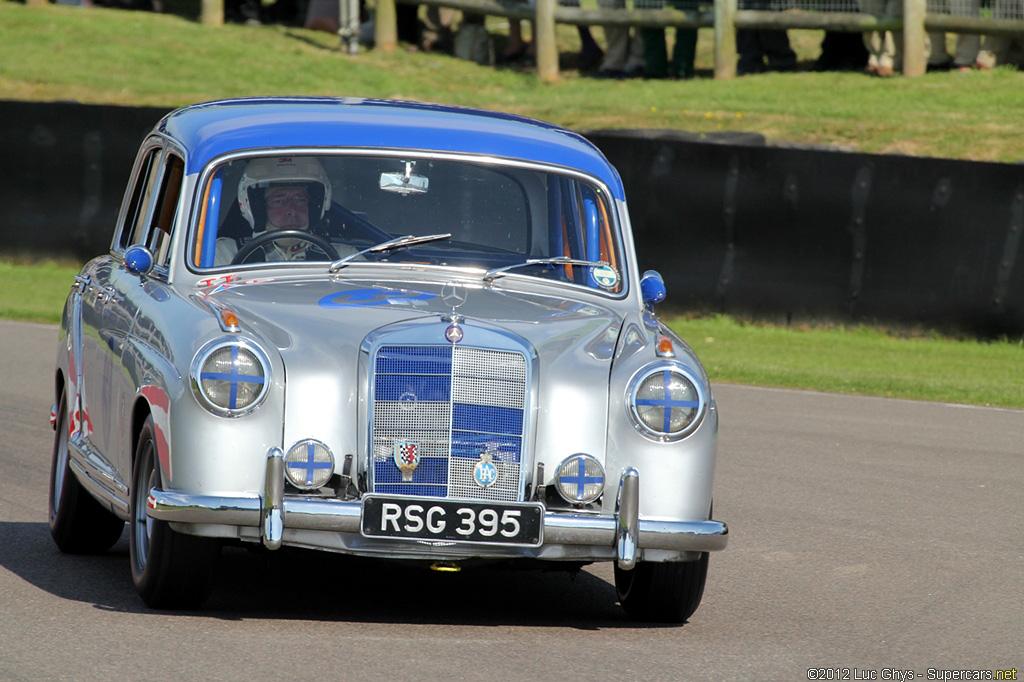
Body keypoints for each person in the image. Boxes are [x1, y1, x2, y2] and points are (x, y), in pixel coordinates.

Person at [215, 156, 334, 265]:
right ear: (259, 208)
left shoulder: (341, 258)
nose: (291, 210)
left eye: (300, 200)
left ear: (314, 206)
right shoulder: (226, 255)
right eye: (279, 201)